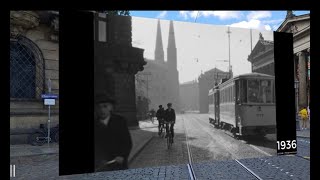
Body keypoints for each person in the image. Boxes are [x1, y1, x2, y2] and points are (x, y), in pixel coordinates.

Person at [94, 94, 133, 172]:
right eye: (99, 107)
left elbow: (127, 142)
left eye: (105, 106)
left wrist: (122, 156)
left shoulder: (120, 121)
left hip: (118, 163)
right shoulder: (95, 124)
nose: (102, 110)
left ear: (110, 107)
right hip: (101, 166)